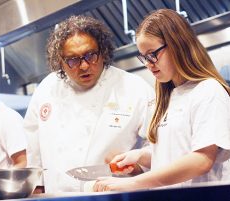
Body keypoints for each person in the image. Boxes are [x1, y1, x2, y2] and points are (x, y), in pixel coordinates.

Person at [93, 9, 230, 192]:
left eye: (152, 54)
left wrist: (132, 184)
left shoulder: (208, 91)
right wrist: (139, 155)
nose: (149, 64)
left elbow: (201, 160)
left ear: (177, 45)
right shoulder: (167, 97)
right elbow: (175, 153)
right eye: (143, 57)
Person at [24, 15, 155, 193]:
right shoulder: (47, 89)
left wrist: (138, 168)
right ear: (60, 62)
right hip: (58, 196)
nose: (84, 66)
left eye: (91, 55)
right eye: (72, 60)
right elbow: (33, 147)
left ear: (103, 52)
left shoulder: (134, 88)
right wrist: (37, 188)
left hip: (114, 196)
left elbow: (158, 146)